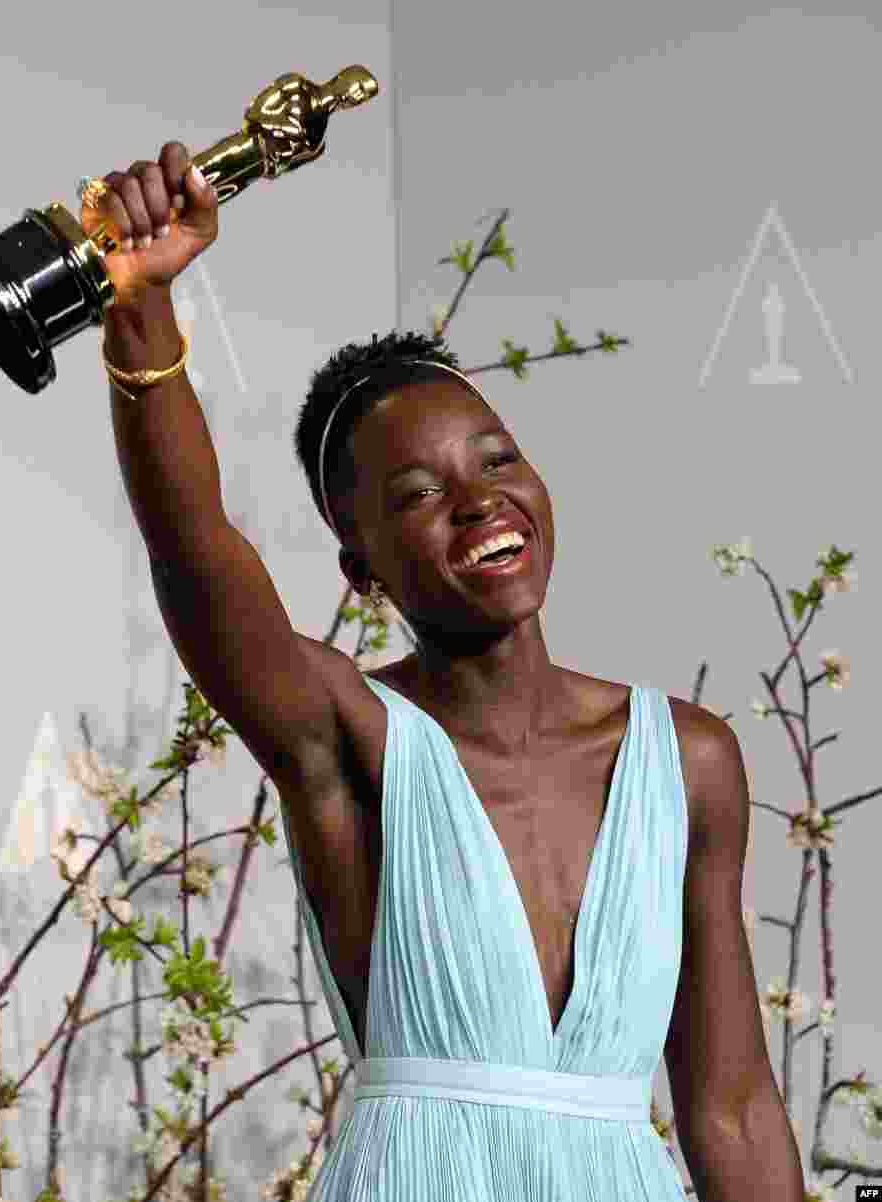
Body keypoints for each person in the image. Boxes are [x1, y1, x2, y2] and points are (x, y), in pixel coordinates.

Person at [90, 143, 794, 1202]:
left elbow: (732, 1107)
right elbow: (194, 551)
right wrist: (140, 305)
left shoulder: (688, 761)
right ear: (360, 567)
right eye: (419, 492)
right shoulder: (344, 732)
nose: (480, 501)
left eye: (498, 459)